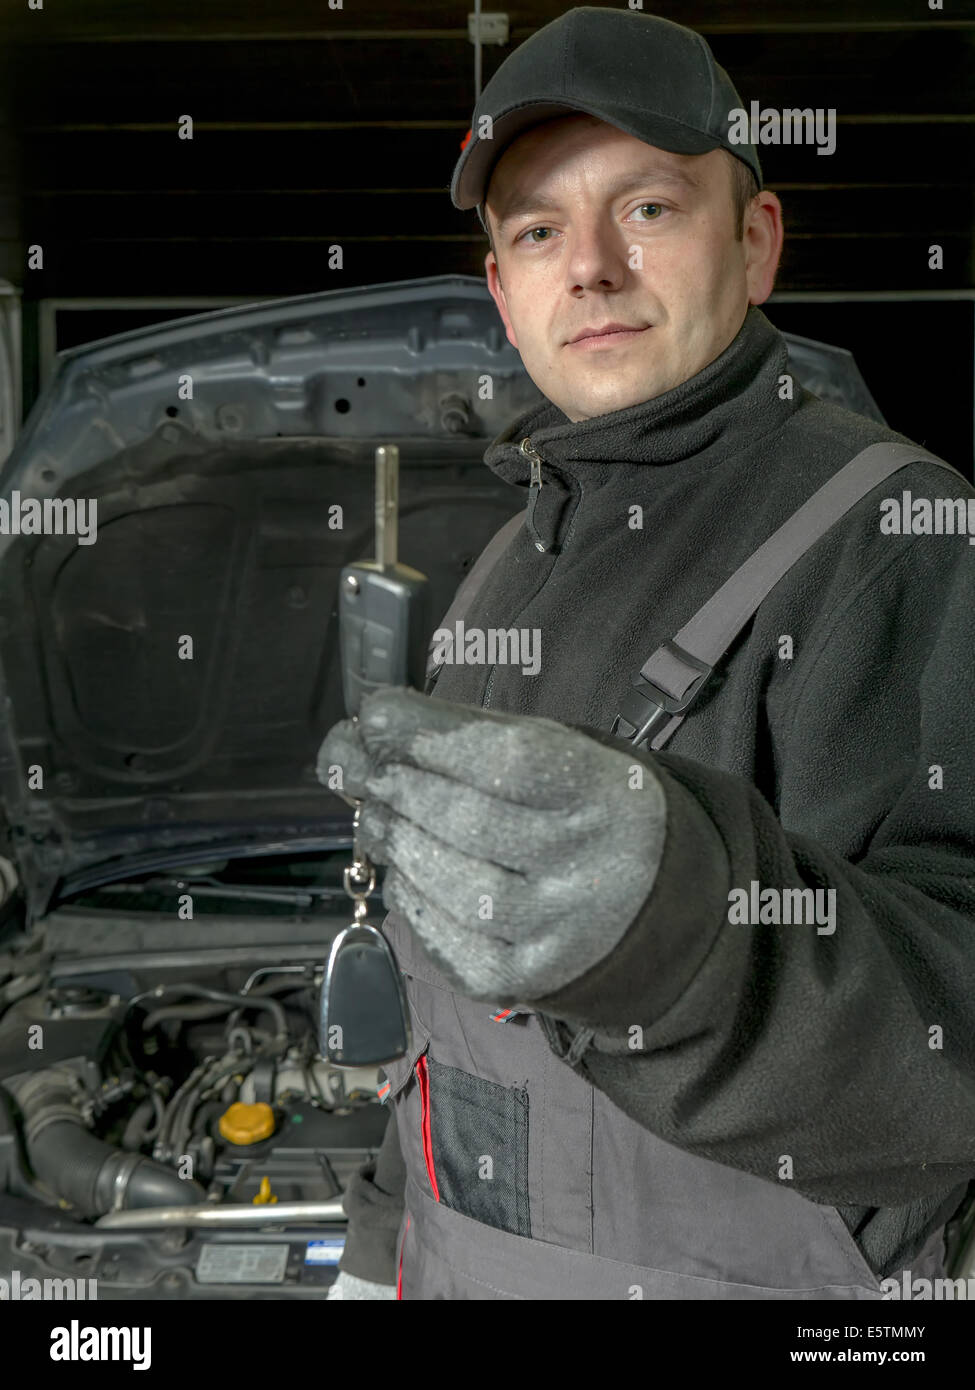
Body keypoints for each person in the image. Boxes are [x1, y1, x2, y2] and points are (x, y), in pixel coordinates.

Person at [320, 7, 975, 1300]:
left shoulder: (901, 539)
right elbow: (444, 1003)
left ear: (757, 240)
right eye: (538, 231)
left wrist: (677, 936)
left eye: (650, 209)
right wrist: (373, 1242)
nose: (593, 270)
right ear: (503, 296)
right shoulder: (513, 562)